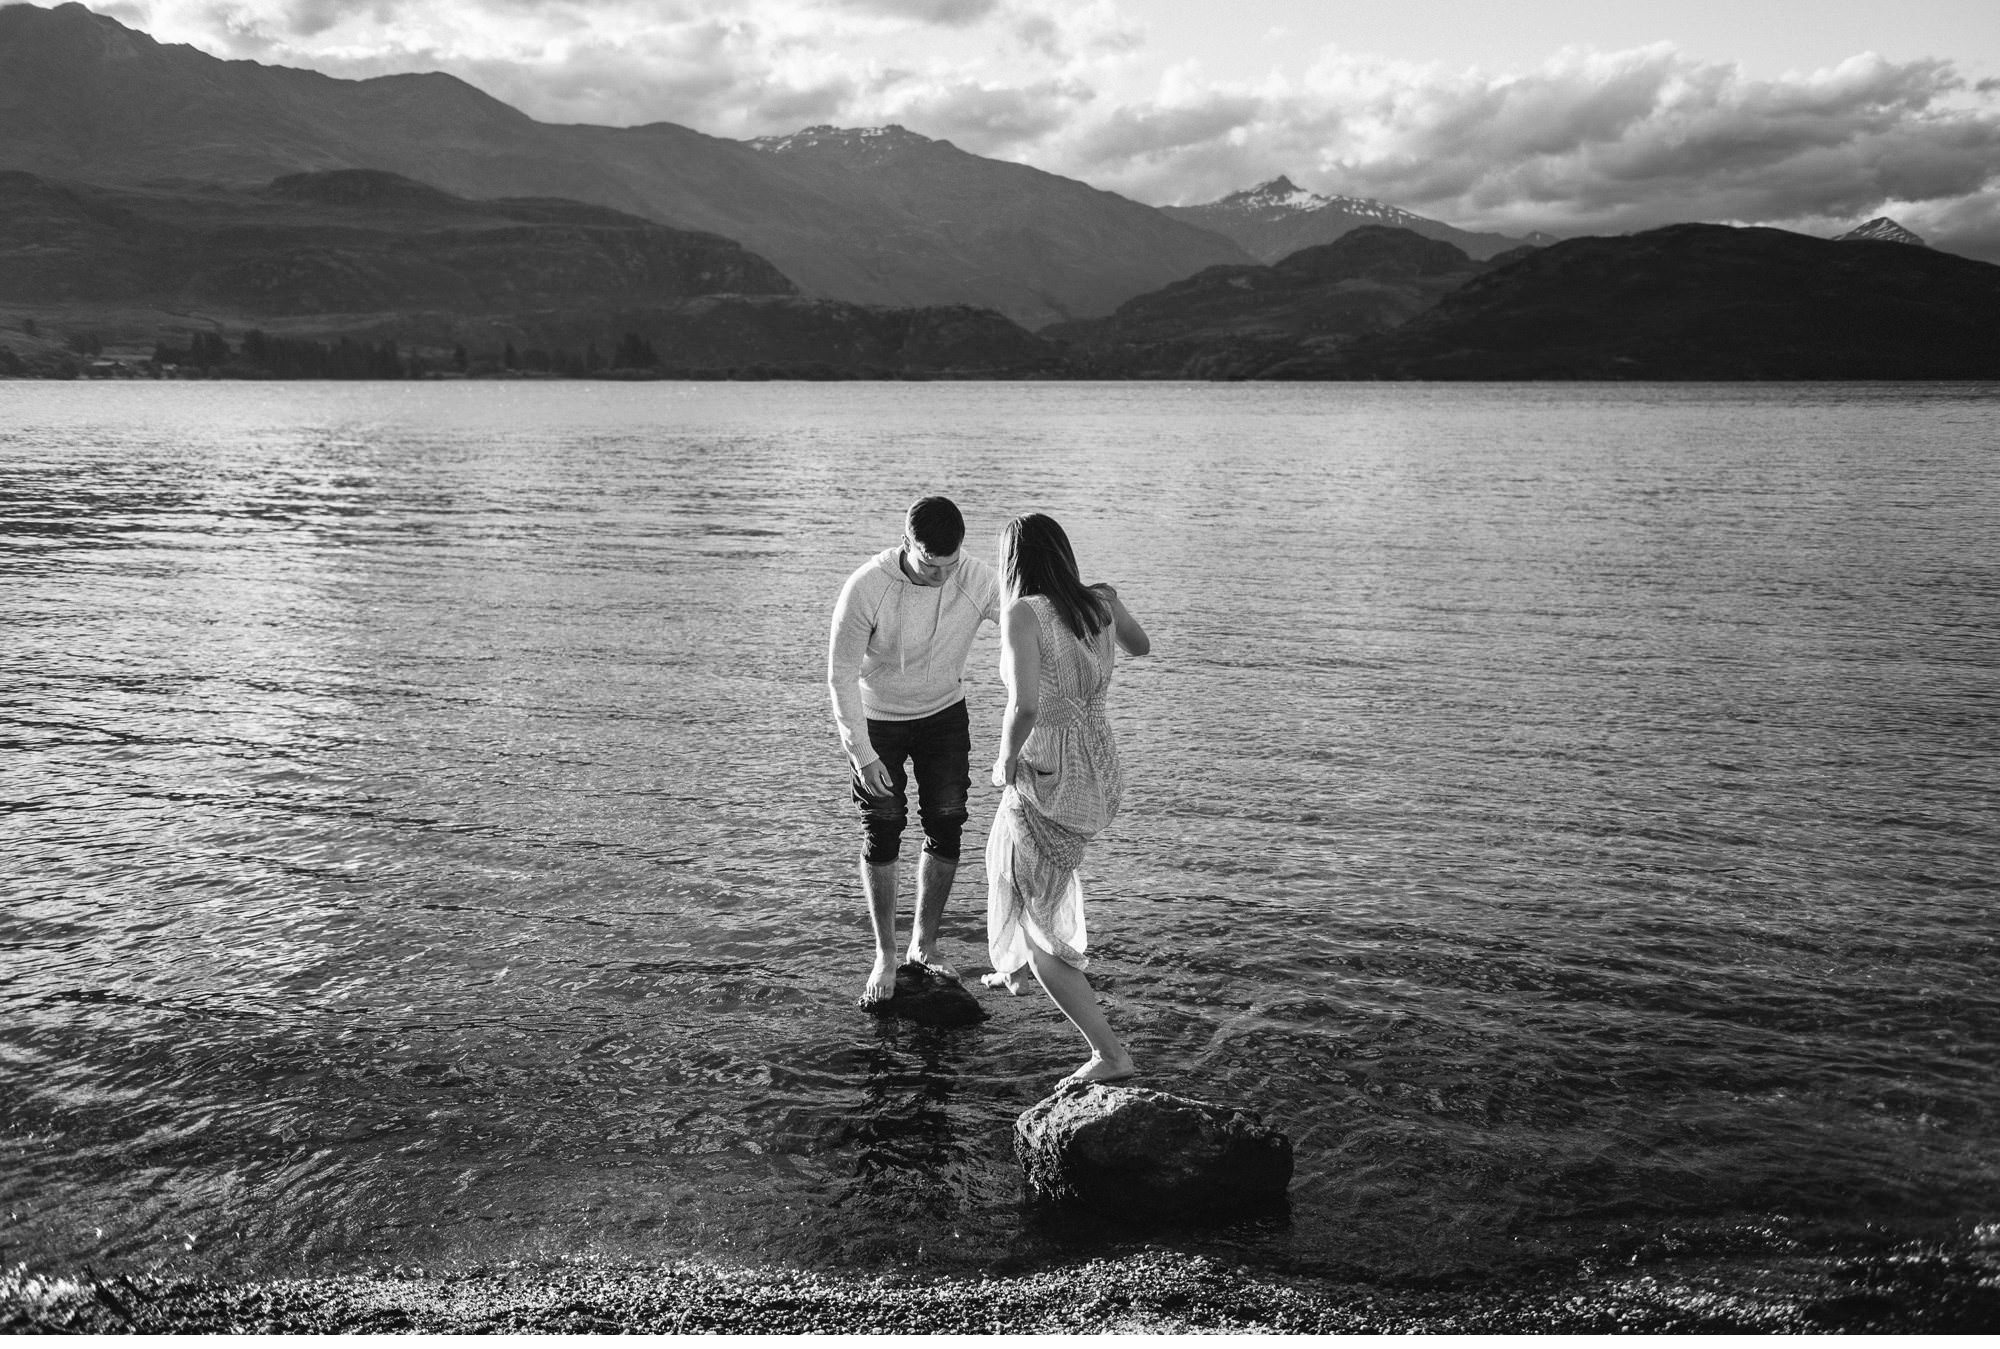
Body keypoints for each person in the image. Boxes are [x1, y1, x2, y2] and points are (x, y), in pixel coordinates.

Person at [980, 512, 1150, 1085]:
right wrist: (1108, 605)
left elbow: (1024, 706)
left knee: (1039, 925)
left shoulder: (1022, 613)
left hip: (1052, 770)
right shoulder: (1098, 601)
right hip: (1099, 762)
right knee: (1007, 849)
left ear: (1013, 562)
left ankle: (1110, 1053)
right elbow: (1141, 646)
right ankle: (1015, 966)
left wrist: (1004, 761)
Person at [828, 496, 1002, 1007]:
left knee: (947, 822)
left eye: (951, 565)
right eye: (931, 565)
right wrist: (862, 753)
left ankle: (921, 948)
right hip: (877, 720)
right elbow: (839, 677)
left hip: (944, 714)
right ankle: (885, 953)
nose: (943, 577)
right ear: (907, 544)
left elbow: (1024, 616)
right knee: (882, 828)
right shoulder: (867, 587)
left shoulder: (973, 578)